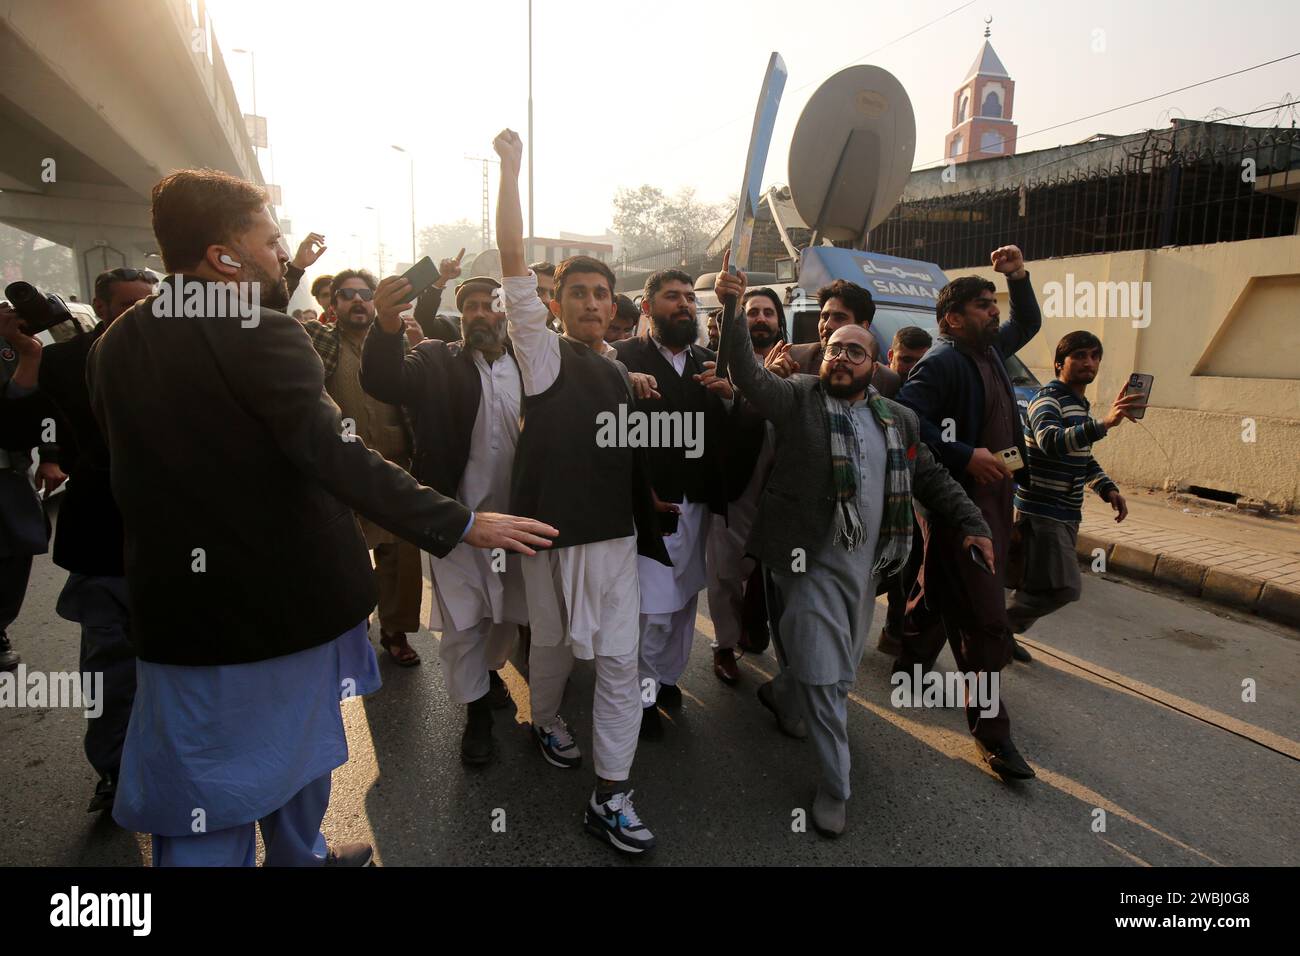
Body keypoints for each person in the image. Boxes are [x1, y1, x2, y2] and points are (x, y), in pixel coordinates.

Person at [87, 167, 554, 866]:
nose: (283, 254)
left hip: (177, 609)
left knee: (238, 764)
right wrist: (460, 523)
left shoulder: (116, 342)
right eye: (270, 241)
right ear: (224, 256)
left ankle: (301, 854)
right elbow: (339, 456)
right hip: (276, 607)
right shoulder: (263, 334)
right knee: (234, 783)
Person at [715, 254, 991, 837]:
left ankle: (783, 696)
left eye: (855, 351)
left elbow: (932, 479)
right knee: (827, 674)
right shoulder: (799, 397)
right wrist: (733, 307)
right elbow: (745, 372)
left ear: (874, 364)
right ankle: (836, 786)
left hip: (866, 569)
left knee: (826, 666)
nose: (840, 358)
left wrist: (973, 524)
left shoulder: (898, 420)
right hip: (801, 560)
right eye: (834, 348)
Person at [496, 128, 668, 854]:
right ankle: (547, 720)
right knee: (557, 651)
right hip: (550, 539)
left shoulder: (614, 367)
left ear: (614, 306)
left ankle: (611, 795)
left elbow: (616, 449)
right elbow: (509, 261)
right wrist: (511, 171)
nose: (592, 302)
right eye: (578, 293)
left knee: (623, 664)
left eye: (602, 294)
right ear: (554, 303)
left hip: (615, 544)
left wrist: (648, 502)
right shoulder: (541, 354)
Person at [0, 267, 157, 813]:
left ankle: (181, 767)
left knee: (187, 667)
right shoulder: (64, 361)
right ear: (99, 305)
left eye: (149, 301)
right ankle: (115, 771)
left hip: (182, 543)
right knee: (112, 665)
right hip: (103, 540)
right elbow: (19, 430)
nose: (139, 312)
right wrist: (28, 356)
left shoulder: (183, 357)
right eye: (126, 304)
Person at [361, 252, 525, 765]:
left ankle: (491, 671)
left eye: (489, 304)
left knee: (506, 615)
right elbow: (385, 381)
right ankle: (475, 715)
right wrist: (386, 328)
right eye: (469, 306)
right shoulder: (435, 359)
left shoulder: (532, 364)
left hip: (519, 524)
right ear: (460, 316)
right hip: (456, 521)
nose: (480, 313)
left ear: (505, 313)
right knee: (464, 621)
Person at [894, 245, 1042, 781]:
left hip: (997, 497)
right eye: (983, 305)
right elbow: (905, 420)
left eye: (992, 303)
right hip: (960, 503)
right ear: (953, 319)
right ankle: (994, 735)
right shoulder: (943, 362)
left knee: (936, 590)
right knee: (985, 619)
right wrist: (964, 455)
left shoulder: (991, 351)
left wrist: (1018, 276)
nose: (993, 311)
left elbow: (1028, 318)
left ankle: (908, 665)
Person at [614, 269, 729, 738]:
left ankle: (664, 679)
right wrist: (642, 493)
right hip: (647, 509)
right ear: (647, 308)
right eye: (671, 297)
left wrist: (731, 397)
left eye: (688, 298)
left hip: (696, 505)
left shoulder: (710, 362)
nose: (683, 305)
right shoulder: (620, 359)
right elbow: (609, 441)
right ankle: (638, 694)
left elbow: (727, 435)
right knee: (650, 610)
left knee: (683, 602)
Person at [302, 271, 426, 666]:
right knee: (345, 559)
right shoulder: (316, 340)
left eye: (365, 294)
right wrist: (294, 269)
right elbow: (266, 317)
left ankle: (395, 630)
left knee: (400, 557)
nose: (358, 301)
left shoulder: (396, 343)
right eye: (347, 295)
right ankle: (350, 632)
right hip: (337, 471)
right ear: (332, 304)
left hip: (394, 467)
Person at [1006, 331, 1140, 637]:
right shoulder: (1047, 399)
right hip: (1042, 512)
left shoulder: (1078, 404)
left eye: (1094, 356)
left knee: (1037, 585)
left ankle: (1002, 634)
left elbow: (1082, 456)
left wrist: (1108, 488)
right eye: (1079, 356)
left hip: (1065, 513)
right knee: (1063, 587)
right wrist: (1104, 424)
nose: (1088, 363)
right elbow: (1051, 441)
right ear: (1058, 363)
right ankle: (996, 628)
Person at [705, 286, 789, 681]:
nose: (760, 319)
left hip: (783, 488)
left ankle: (754, 630)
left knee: (767, 572)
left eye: (767, 312)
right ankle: (723, 646)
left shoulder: (798, 361)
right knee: (726, 572)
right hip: (736, 481)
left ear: (779, 320)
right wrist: (736, 393)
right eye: (752, 311)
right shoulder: (721, 362)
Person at [877, 325, 933, 657]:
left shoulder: (929, 391)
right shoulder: (879, 387)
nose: (913, 370)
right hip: (873, 496)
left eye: (921, 363)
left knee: (907, 569)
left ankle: (894, 631)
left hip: (912, 498)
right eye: (907, 360)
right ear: (891, 356)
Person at [786, 280, 901, 398]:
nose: (827, 325)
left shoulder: (887, 381)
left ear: (863, 326)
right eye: (824, 317)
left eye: (839, 318)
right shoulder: (791, 358)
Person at [412, 248, 468, 344]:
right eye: (471, 307)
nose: (480, 313)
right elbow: (423, 323)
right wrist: (441, 280)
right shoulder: (452, 329)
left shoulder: (502, 337)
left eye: (487, 307)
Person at [529, 261, 560, 332]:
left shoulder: (562, 342)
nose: (547, 300)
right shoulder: (499, 336)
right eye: (538, 291)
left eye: (554, 294)